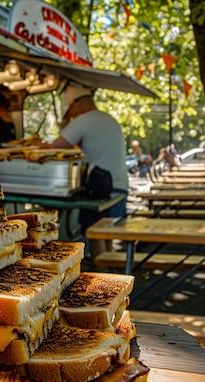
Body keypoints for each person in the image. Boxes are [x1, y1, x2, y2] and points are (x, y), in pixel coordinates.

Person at [37, 84, 128, 262]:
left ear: (76, 105)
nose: (71, 115)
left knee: (96, 233)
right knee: (107, 232)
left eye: (70, 110)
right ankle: (109, 272)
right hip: (120, 185)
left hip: (101, 188)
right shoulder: (108, 119)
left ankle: (102, 278)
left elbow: (54, 148)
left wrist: (39, 145)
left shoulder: (83, 121)